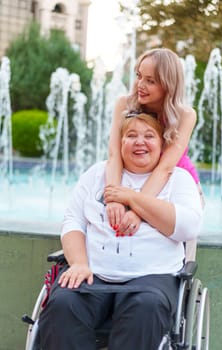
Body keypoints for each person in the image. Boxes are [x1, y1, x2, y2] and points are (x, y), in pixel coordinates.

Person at [38, 113, 203, 350]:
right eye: (131, 135)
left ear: (162, 144)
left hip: (152, 277)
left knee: (146, 308)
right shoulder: (97, 174)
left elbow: (187, 227)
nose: (140, 142)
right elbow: (73, 221)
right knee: (63, 303)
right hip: (92, 272)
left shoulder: (178, 180)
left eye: (149, 136)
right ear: (120, 142)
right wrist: (79, 263)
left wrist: (131, 198)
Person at [105, 48, 203, 260]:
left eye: (150, 80)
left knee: (178, 254)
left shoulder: (185, 115)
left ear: (168, 83)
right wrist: (113, 198)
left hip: (175, 188)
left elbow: (165, 168)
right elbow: (114, 156)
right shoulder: (125, 104)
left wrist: (138, 208)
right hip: (133, 183)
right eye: (139, 76)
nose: (140, 84)